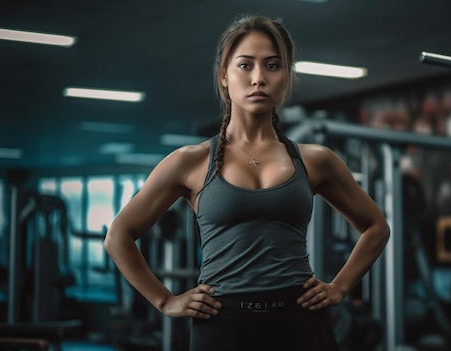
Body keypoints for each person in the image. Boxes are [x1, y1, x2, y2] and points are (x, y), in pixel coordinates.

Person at [104, 14, 390, 351]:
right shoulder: (190, 161)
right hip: (222, 325)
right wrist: (164, 301)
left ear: (285, 77)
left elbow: (376, 227)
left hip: (300, 322)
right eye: (245, 66)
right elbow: (118, 237)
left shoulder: (316, 160)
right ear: (224, 76)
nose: (258, 78)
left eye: (272, 65)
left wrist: (340, 287)